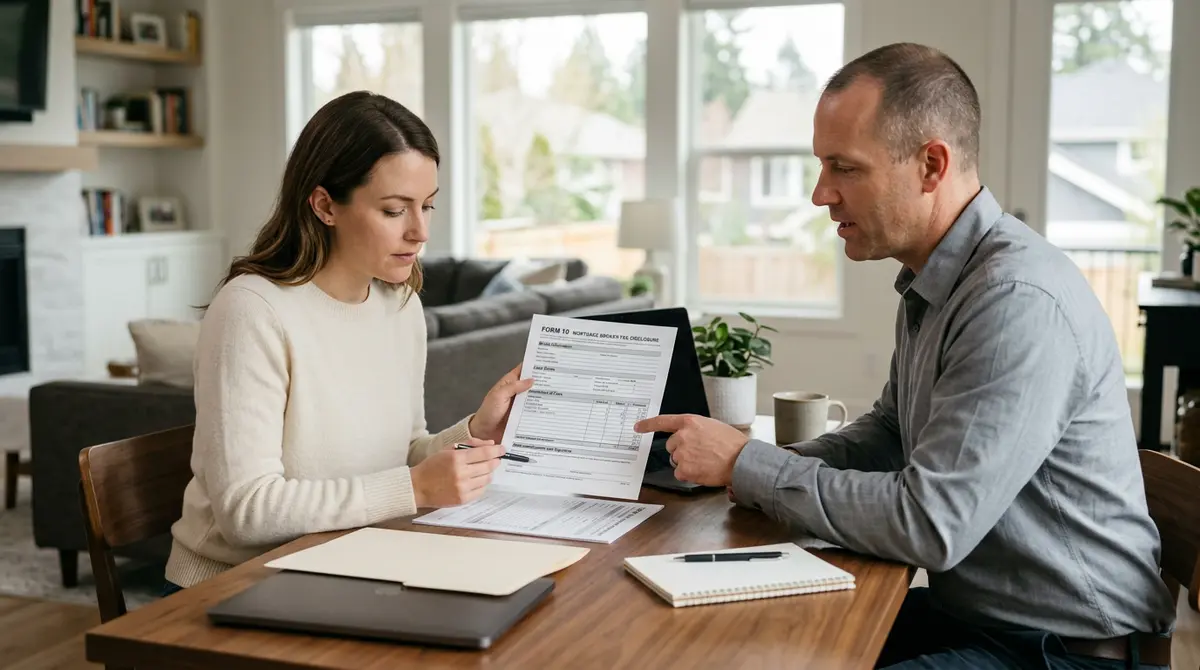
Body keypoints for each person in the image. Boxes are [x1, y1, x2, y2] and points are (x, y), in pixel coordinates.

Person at [635, 43, 1176, 669]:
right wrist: (752, 467)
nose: (819, 194)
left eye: (844, 168)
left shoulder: (1012, 301)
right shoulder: (938, 281)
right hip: (984, 621)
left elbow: (930, 524)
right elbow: (893, 432)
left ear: (931, 165)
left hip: (1071, 653)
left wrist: (752, 465)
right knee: (745, 637)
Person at [163, 91, 532, 593]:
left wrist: (477, 431)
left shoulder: (400, 307)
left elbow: (401, 456)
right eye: (394, 210)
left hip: (352, 564)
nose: (420, 231)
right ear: (324, 205)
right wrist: (415, 488)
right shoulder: (253, 309)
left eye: (427, 205)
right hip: (237, 587)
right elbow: (245, 512)